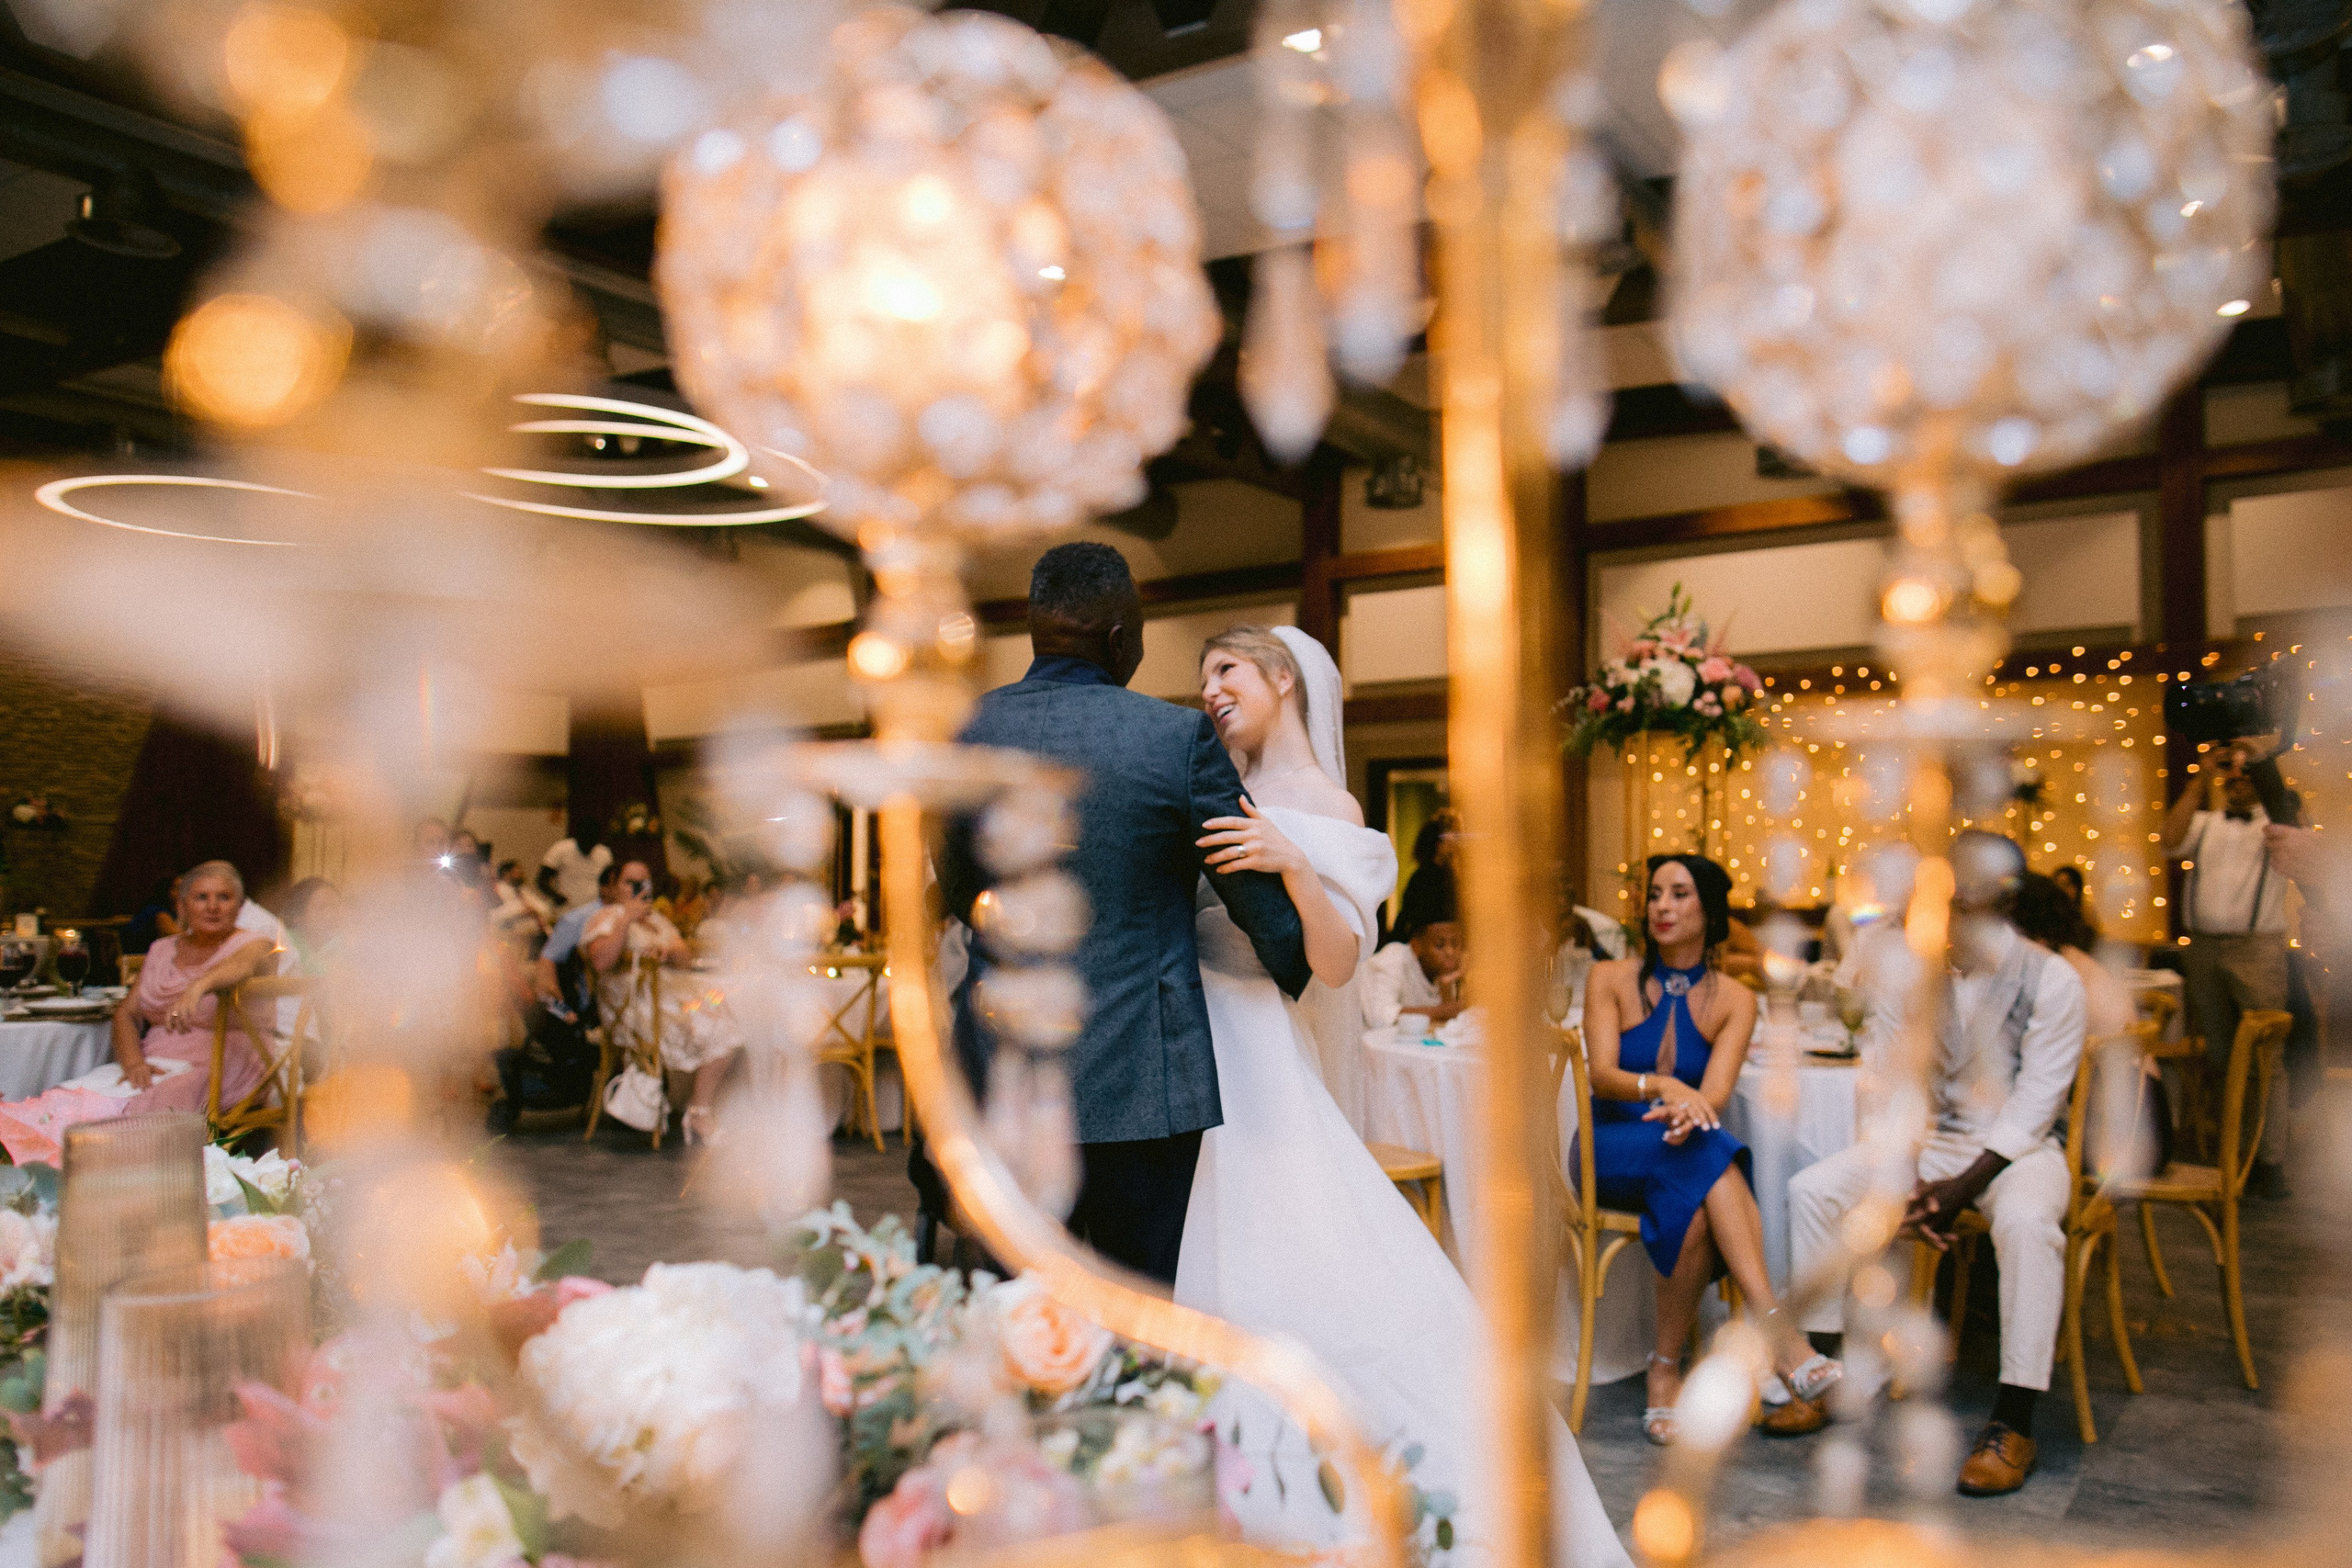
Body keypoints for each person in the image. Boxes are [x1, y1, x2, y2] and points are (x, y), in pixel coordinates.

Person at [1172, 622, 1628, 1568]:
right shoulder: (1206, 785)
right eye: (1201, 676)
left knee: (1292, 1263)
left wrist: (1290, 862)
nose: (1209, 689)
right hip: (1180, 1040)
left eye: (1225, 670)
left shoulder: (1325, 805)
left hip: (1258, 1049)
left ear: (1281, 679)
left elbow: (1336, 964)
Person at [925, 543, 1314, 1286]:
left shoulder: (963, 733)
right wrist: (1302, 960)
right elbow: (1254, 898)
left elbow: (955, 890)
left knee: (1019, 1313)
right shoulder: (1175, 739)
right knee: (1138, 1319)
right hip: (1143, 1082)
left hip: (1002, 1073)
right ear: (1118, 639)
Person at [1789, 830, 2086, 1497]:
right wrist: (1907, 1170)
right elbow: (1890, 1074)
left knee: (2029, 1224)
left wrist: (1957, 1190)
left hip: (2020, 1150)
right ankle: (1823, 1374)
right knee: (1814, 1189)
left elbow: (2037, 1104)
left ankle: (2013, 1420)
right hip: (1925, 1142)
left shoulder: (2053, 978)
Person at [1583, 853, 1843, 1446]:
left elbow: (1716, 1096)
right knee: (1711, 1154)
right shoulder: (1609, 979)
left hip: (1677, 1146)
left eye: (1679, 895)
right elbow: (1602, 1077)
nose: (1662, 907)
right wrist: (1667, 1087)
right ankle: (1778, 1333)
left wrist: (1687, 1107)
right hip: (1610, 1146)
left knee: (1698, 1201)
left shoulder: (1735, 1000)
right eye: (1654, 895)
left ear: (1709, 911)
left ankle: (1663, 1371)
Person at [2161, 734, 2296, 1197]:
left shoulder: (2276, 820)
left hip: (2257, 948)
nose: (2236, 779)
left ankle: (2270, 1161)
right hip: (2203, 948)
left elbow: (2293, 824)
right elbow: (2168, 840)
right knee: (2219, 1055)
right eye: (2231, 771)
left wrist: (2260, 762)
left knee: (2264, 1058)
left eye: (2244, 772)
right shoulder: (2207, 822)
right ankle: (2230, 1153)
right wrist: (2199, 778)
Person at [583, 859, 742, 1144]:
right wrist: (626, 920)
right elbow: (600, 961)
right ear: (616, 886)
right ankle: (697, 1113)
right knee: (713, 1021)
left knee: (727, 1012)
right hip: (632, 1006)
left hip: (673, 998)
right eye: (629, 882)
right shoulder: (606, 917)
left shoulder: (659, 920)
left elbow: (684, 961)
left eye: (643, 883)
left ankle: (698, 1109)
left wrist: (667, 952)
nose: (637, 889)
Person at [112, 860, 283, 1111]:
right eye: (201, 897)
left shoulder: (257, 944)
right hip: (157, 1064)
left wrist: (198, 987)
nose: (212, 907)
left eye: (224, 897)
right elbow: (126, 1014)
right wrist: (134, 1064)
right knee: (72, 1102)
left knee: (149, 1106)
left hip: (226, 1065)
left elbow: (241, 966)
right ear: (182, 906)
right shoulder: (161, 949)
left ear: (238, 907)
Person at [1363, 891, 1466, 1032]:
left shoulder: (1444, 971)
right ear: (1416, 946)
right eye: (1439, 945)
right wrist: (1442, 1011)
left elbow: (1449, 1021)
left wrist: (1447, 989)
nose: (1450, 952)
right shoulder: (1393, 959)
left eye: (1455, 944)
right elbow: (1380, 1018)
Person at [1390, 810, 1458, 946]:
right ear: (1439, 844)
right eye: (1453, 837)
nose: (1456, 843)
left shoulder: (1422, 876)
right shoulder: (1431, 878)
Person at [541, 829, 614, 913]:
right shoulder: (561, 849)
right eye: (585, 842)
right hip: (565, 910)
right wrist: (556, 896)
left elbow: (609, 883)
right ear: (577, 838)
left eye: (592, 844)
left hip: (593, 912)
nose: (588, 846)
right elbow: (542, 880)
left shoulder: (605, 854)